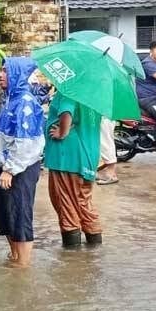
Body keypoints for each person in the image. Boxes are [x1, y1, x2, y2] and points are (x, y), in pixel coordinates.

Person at [0, 57, 46, 267]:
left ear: (18, 75)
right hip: (6, 167)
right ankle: (14, 258)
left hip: (20, 169)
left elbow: (27, 142)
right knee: (5, 215)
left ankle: (22, 267)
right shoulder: (10, 100)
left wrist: (11, 170)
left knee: (20, 214)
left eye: (5, 71)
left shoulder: (25, 102)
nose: (0, 75)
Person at [45, 90, 103, 247]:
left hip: (67, 157)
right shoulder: (94, 93)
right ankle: (94, 252)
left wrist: (62, 132)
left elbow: (66, 112)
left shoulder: (69, 90)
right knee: (83, 203)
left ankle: (71, 262)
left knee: (66, 205)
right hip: (89, 154)